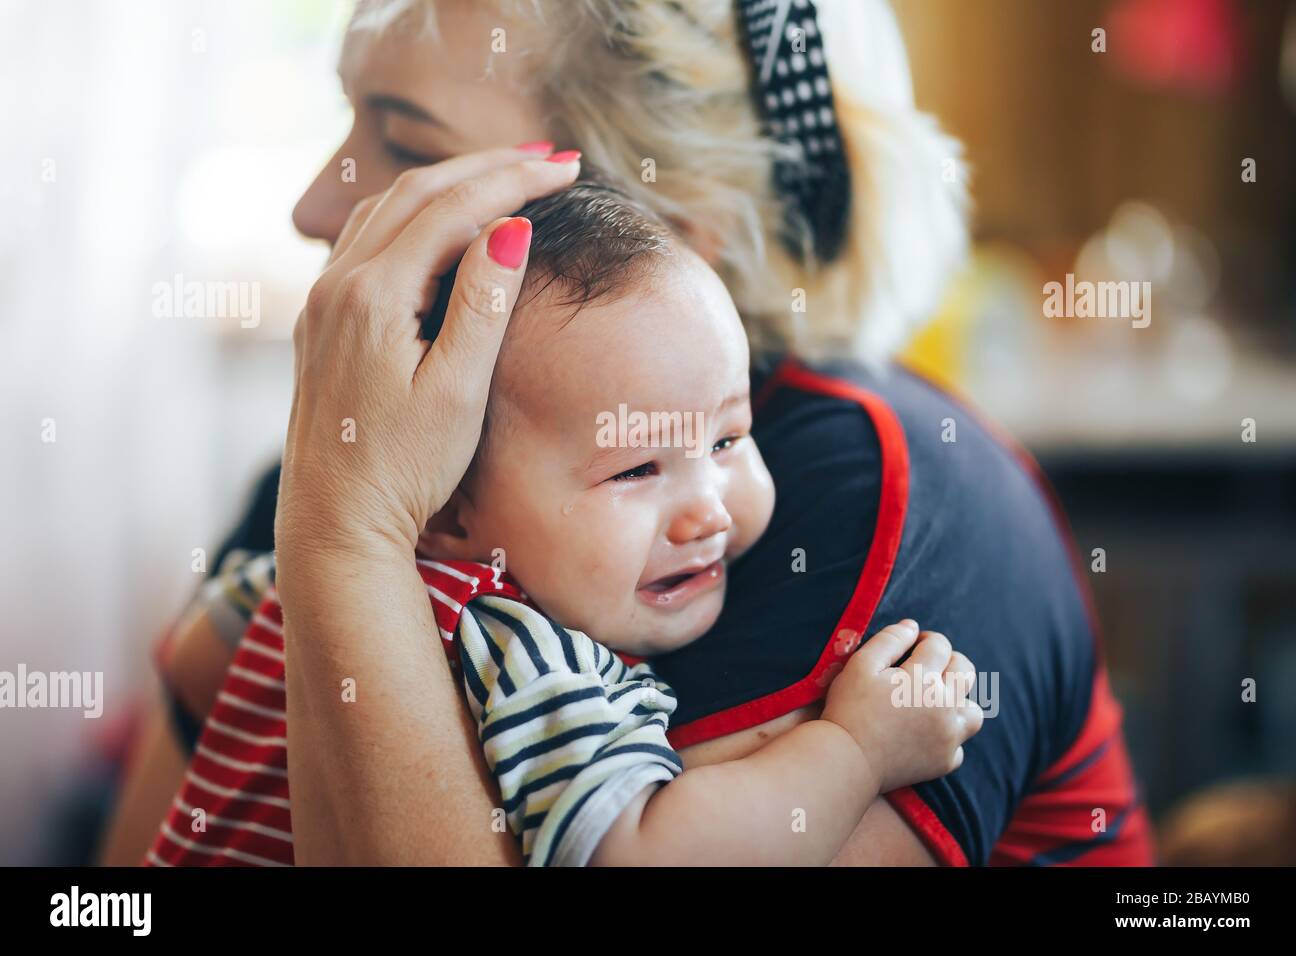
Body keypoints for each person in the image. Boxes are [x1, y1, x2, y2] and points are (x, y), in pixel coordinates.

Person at [101, 0, 1153, 867]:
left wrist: (347, 539)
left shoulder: (880, 493)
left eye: (407, 143)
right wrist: (341, 524)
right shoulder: (354, 465)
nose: (313, 207)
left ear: (661, 227)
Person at [140, 181, 984, 867]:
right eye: (635, 470)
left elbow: (190, 662)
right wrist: (858, 749)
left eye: (728, 437)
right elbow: (649, 856)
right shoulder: (530, 657)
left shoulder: (301, 582)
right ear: (448, 510)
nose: (707, 508)